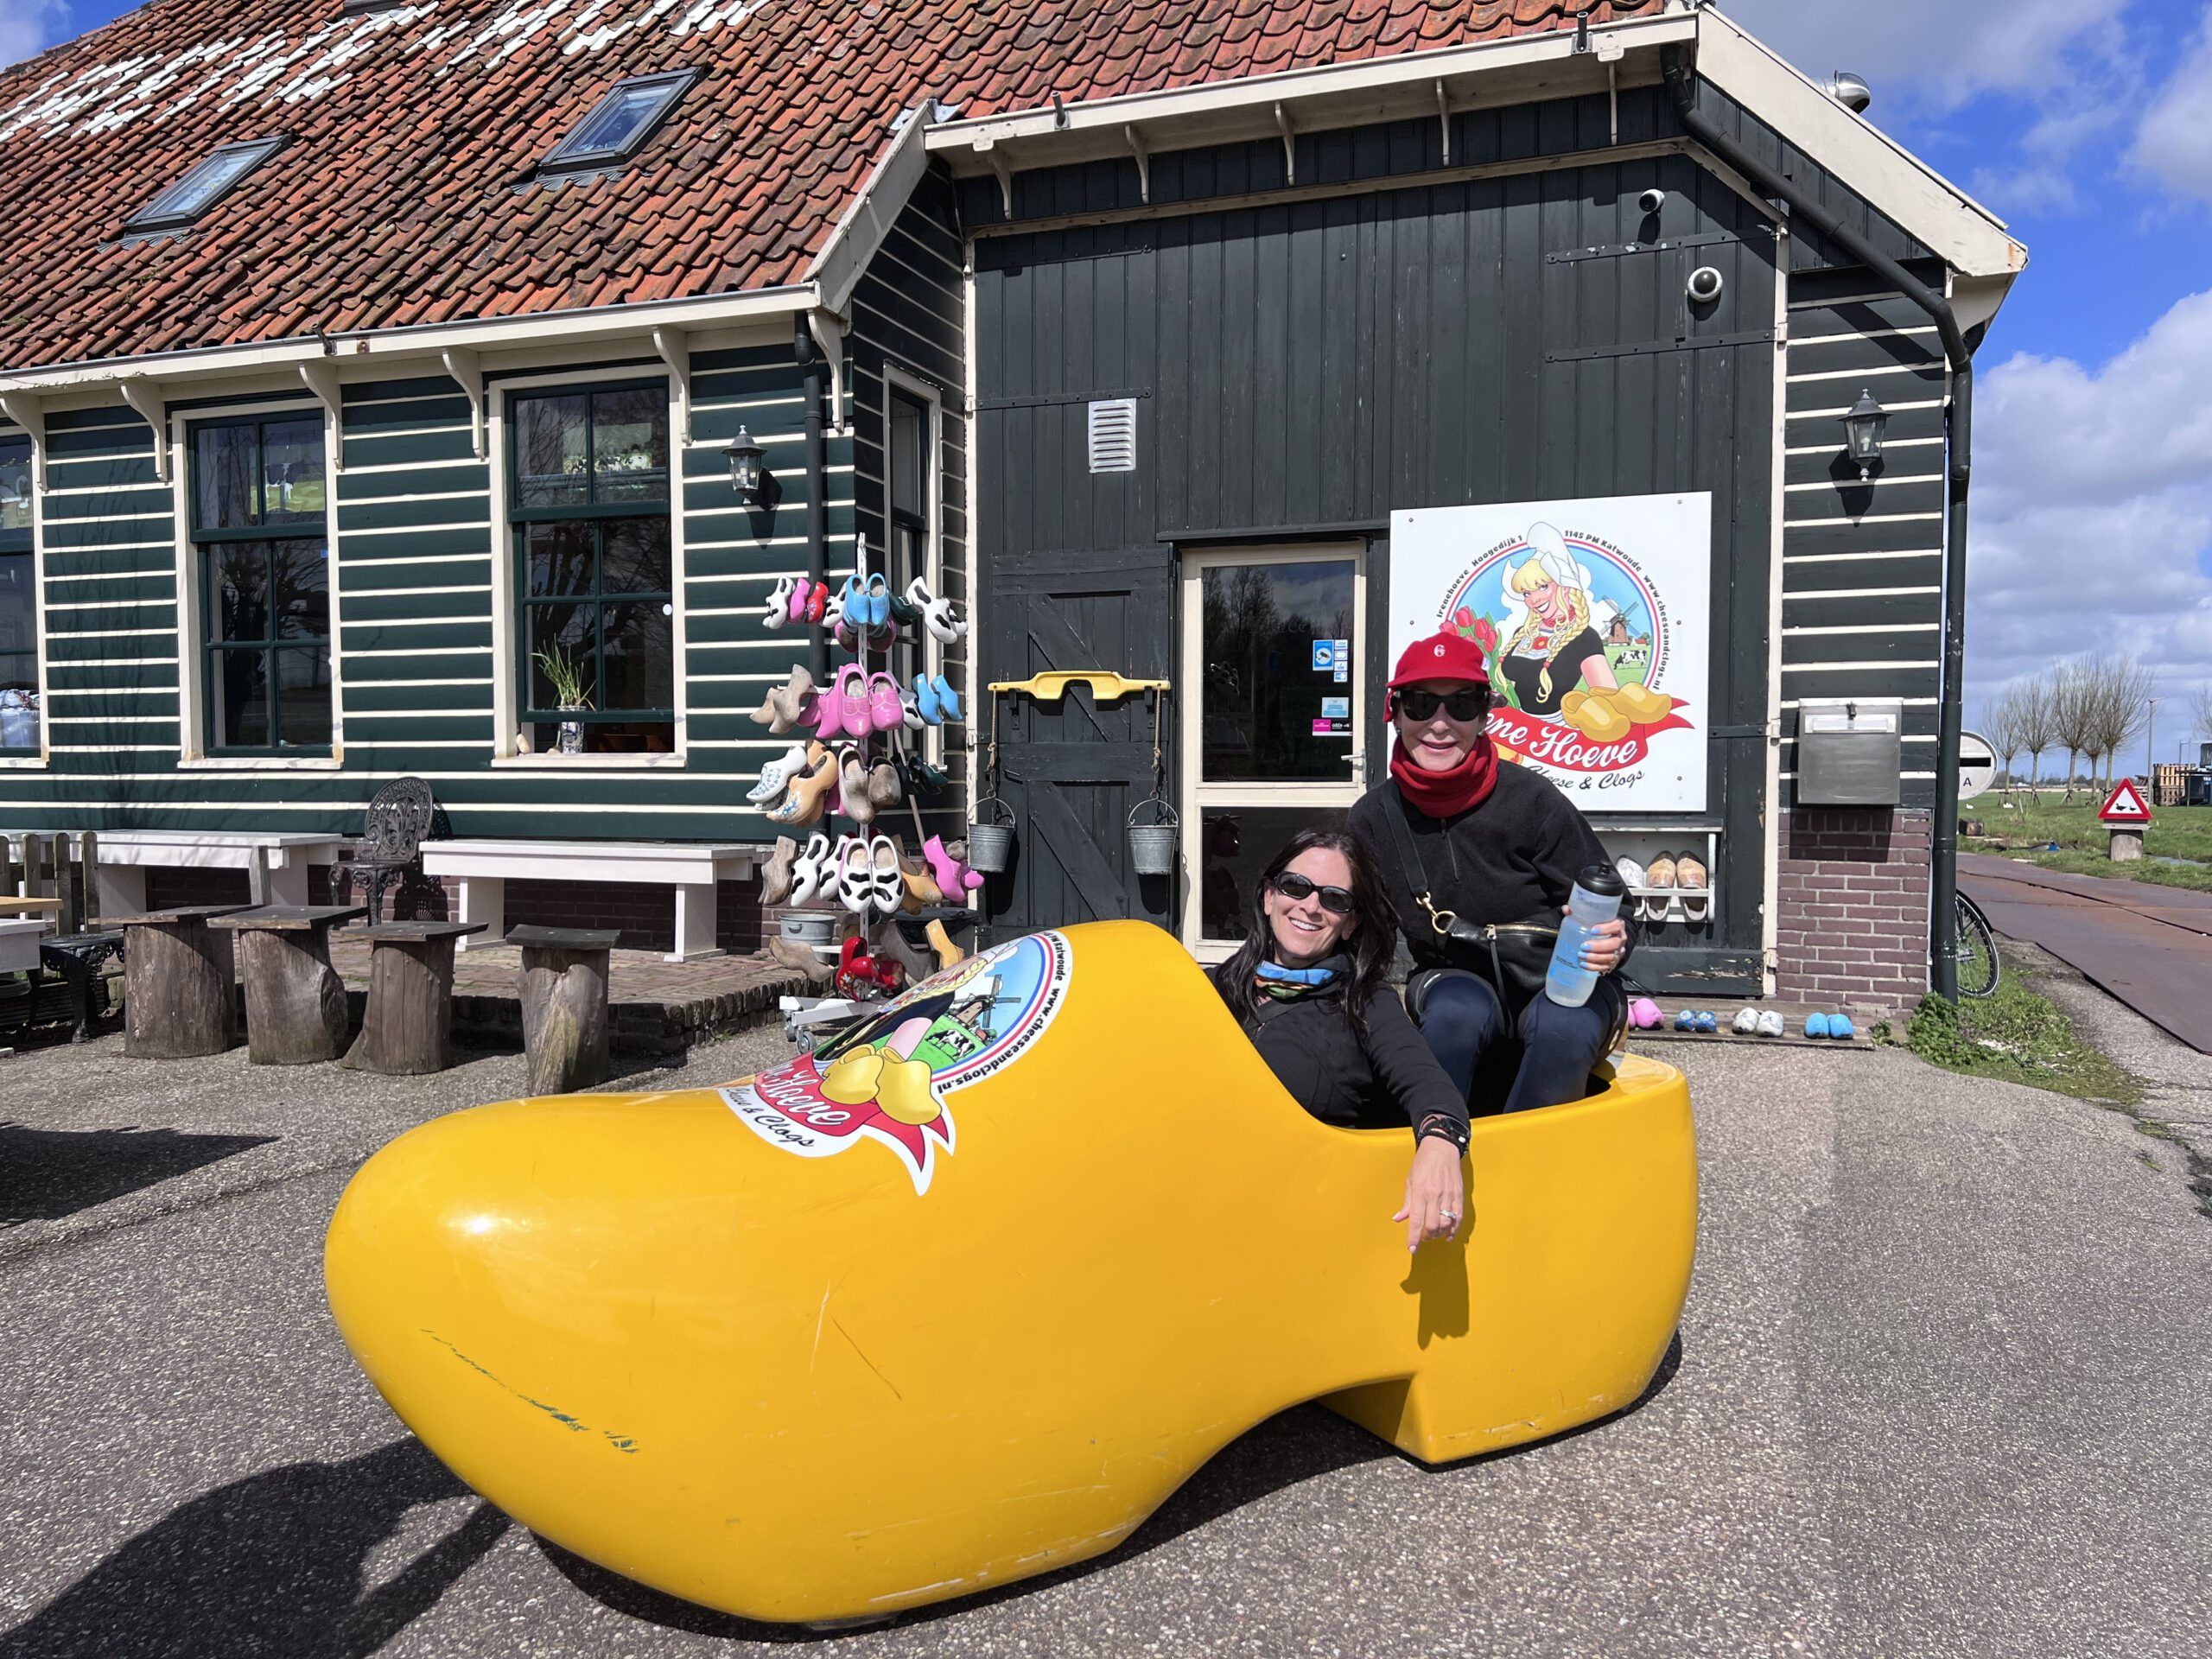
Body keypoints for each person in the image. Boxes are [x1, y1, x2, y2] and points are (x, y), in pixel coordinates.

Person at [1349, 631, 1632, 1118]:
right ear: (1393, 713)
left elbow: (1616, 907)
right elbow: (1355, 933)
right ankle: (1434, 1165)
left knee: (1563, 1030)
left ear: (1484, 716)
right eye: (1419, 704)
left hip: (1557, 977)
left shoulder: (1533, 800)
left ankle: (1524, 1176)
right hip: (1453, 976)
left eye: (1462, 704)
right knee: (1454, 1018)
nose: (1439, 724)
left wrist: (1615, 940)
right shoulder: (1372, 818)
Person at [1211, 830, 1471, 1252]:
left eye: (1334, 899)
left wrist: (1441, 1143)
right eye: (1296, 887)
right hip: (1205, 1205)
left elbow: (1428, 1084)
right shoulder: (1210, 989)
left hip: (1305, 1226)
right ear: (1268, 898)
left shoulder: (1366, 1002)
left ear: (1350, 923)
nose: (1311, 907)